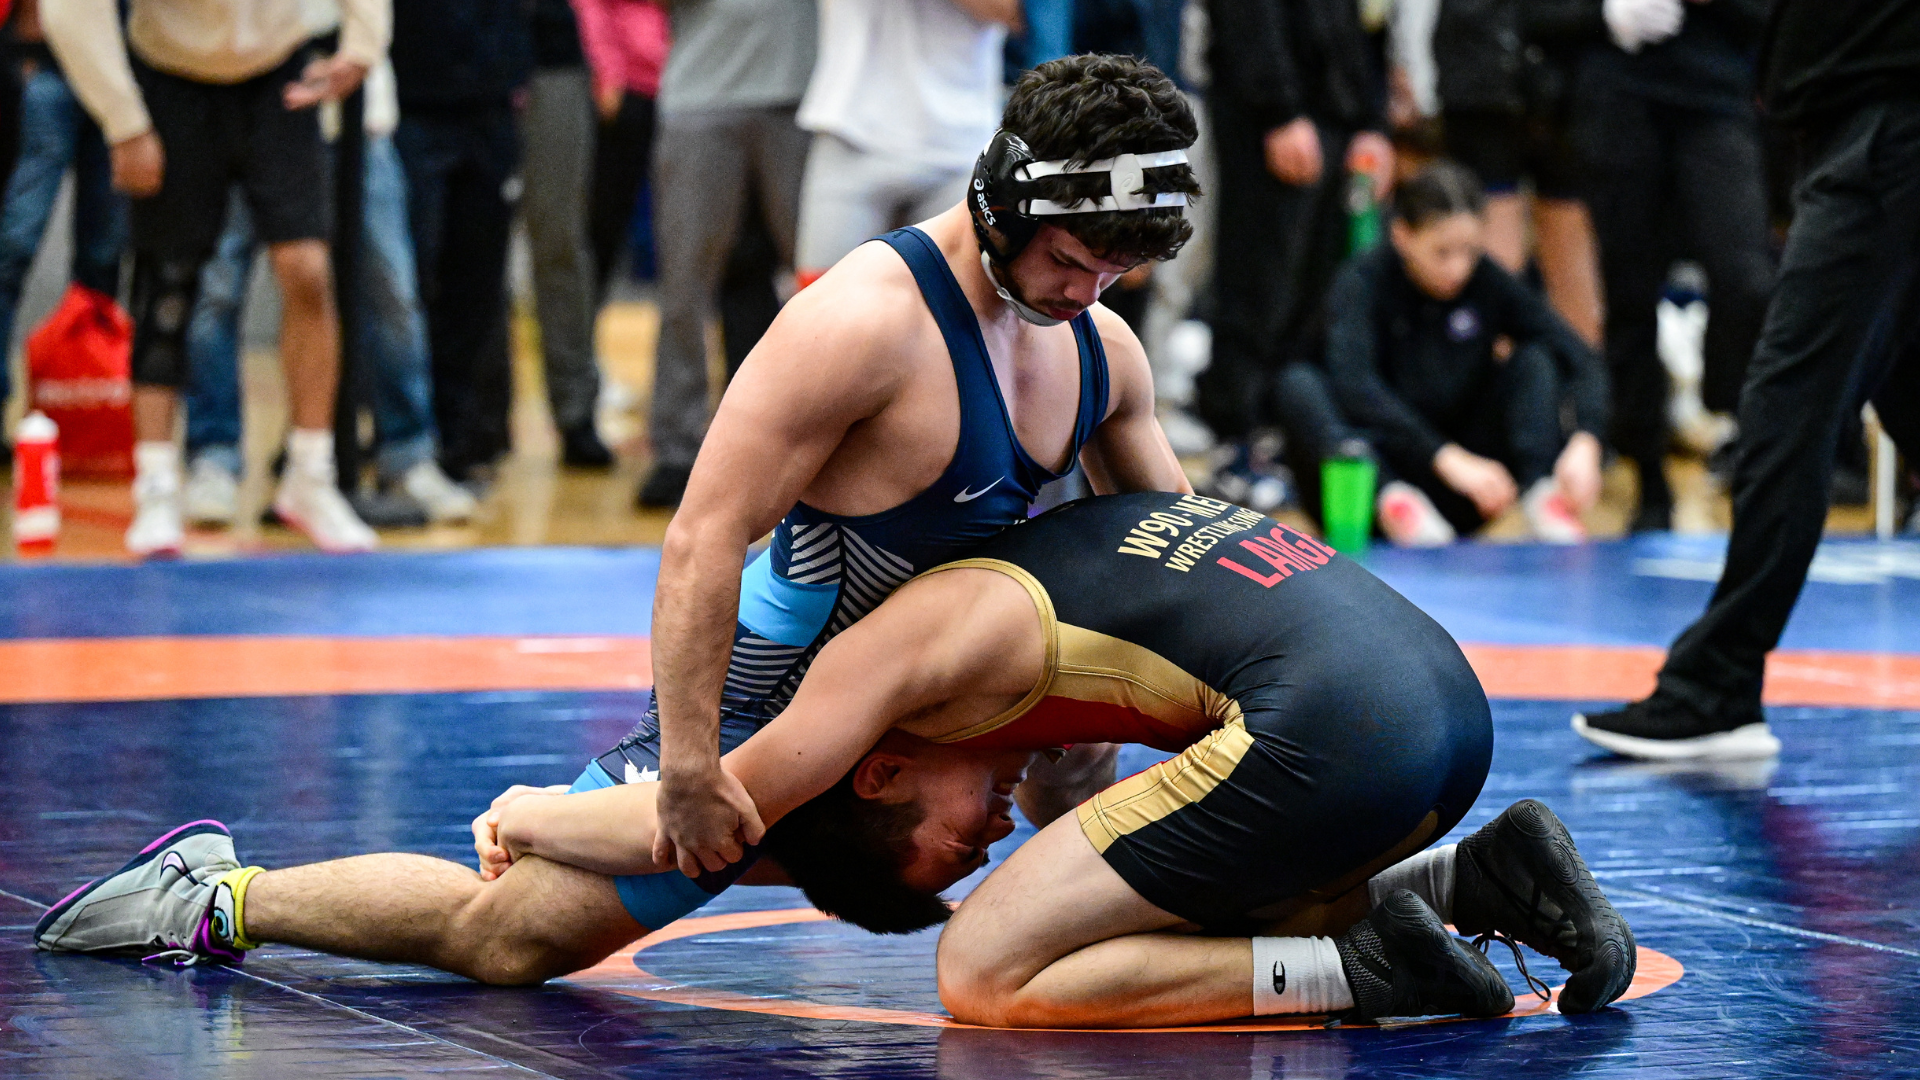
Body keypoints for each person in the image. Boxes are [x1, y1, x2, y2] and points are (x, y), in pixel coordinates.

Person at [33, 493, 1636, 1028]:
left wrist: (527, 809)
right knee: (510, 934)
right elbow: (734, 801)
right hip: (1429, 693)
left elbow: (721, 804)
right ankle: (1463, 881)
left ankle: (1377, 958)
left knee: (994, 972)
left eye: (961, 830)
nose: (989, 830)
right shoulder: (1061, 396)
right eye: (976, 832)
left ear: (878, 772)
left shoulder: (897, 681)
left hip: (1326, 715)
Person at [640, 54, 1194, 919]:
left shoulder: (1102, 348)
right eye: (1067, 259)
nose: (1084, 294)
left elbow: (1186, 560)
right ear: (1000, 205)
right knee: (512, 930)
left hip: (933, 700)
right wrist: (687, 765)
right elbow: (703, 536)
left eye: (1112, 273)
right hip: (776, 700)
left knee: (1086, 744)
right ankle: (532, 821)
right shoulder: (863, 323)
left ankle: (1114, 916)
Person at [1574, 0, 1920, 761]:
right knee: (1901, 388)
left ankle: (1716, 684)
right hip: (1854, 117)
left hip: (1886, 119)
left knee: (1789, 401)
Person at [41, 0, 387, 555]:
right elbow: (69, 9)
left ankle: (310, 475)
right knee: (168, 285)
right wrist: (123, 121)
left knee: (308, 270)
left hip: (278, 73)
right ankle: (156, 486)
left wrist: (363, 45)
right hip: (171, 77)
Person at [178, 62, 477, 528]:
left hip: (356, 125)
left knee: (392, 293)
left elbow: (368, 28)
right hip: (244, 113)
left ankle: (406, 455)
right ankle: (214, 458)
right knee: (217, 291)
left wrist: (352, 59)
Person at [1283, 161, 1606, 546]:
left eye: (1469, 251)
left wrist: (1586, 438)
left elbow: (1579, 356)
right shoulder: (1362, 282)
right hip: (1371, 487)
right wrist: (1443, 457)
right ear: (1402, 235)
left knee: (1535, 358)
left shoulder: (1486, 280)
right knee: (1298, 385)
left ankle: (1542, 496)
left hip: (1468, 487)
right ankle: (1396, 504)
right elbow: (1354, 384)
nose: (1458, 268)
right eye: (1442, 252)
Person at [1571, 0, 1774, 531]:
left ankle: (1729, 414)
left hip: (1716, 96)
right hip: (1618, 94)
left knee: (1747, 278)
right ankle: (1648, 475)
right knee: (1630, 295)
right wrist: (1603, 14)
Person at [1197, 0, 1396, 490]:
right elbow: (1245, 15)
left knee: (1319, 293)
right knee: (1260, 281)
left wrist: (1372, 123)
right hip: (1271, 114)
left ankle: (1285, 435)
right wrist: (1279, 110)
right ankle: (1237, 439)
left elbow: (1368, 21)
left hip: (1340, 115)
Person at [625, 0, 813, 508]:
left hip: (801, 94)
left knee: (823, 287)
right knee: (684, 285)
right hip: (699, 96)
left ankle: (825, 439)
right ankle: (675, 449)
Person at [388, 0, 529, 487]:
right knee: (407, 281)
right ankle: (408, 438)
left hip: (492, 102)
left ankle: (457, 438)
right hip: (412, 100)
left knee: (478, 282)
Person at [792, 0, 1019, 285]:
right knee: (819, 297)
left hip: (960, 147)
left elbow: (1019, 14)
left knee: (963, 298)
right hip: (851, 131)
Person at [1431, 0, 1603, 345]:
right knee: (1497, 263)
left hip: (1567, 84)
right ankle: (1502, 373)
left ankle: (1582, 374)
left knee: (1571, 254)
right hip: (1482, 88)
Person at [0, 0, 127, 448]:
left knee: (103, 260)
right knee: (11, 250)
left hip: (118, 79)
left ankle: (89, 420)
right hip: (43, 64)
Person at [521, 0, 616, 469]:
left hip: (553, 60)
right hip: (450, 71)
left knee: (560, 245)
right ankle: (468, 426)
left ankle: (576, 412)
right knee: (463, 253)